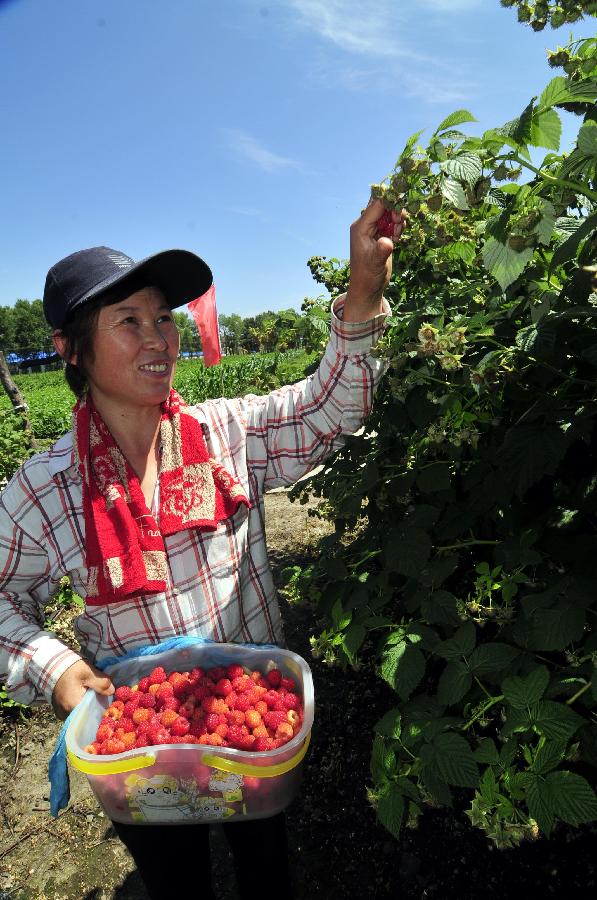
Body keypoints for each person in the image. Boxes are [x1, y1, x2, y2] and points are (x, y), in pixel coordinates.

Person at [0, 199, 406, 899]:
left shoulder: (225, 436)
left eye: (163, 318)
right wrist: (56, 669)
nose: (159, 337)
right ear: (71, 349)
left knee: (264, 865)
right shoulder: (45, 490)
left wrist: (364, 292)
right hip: (142, 747)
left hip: (252, 727)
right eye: (128, 321)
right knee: (176, 880)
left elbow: (330, 408)